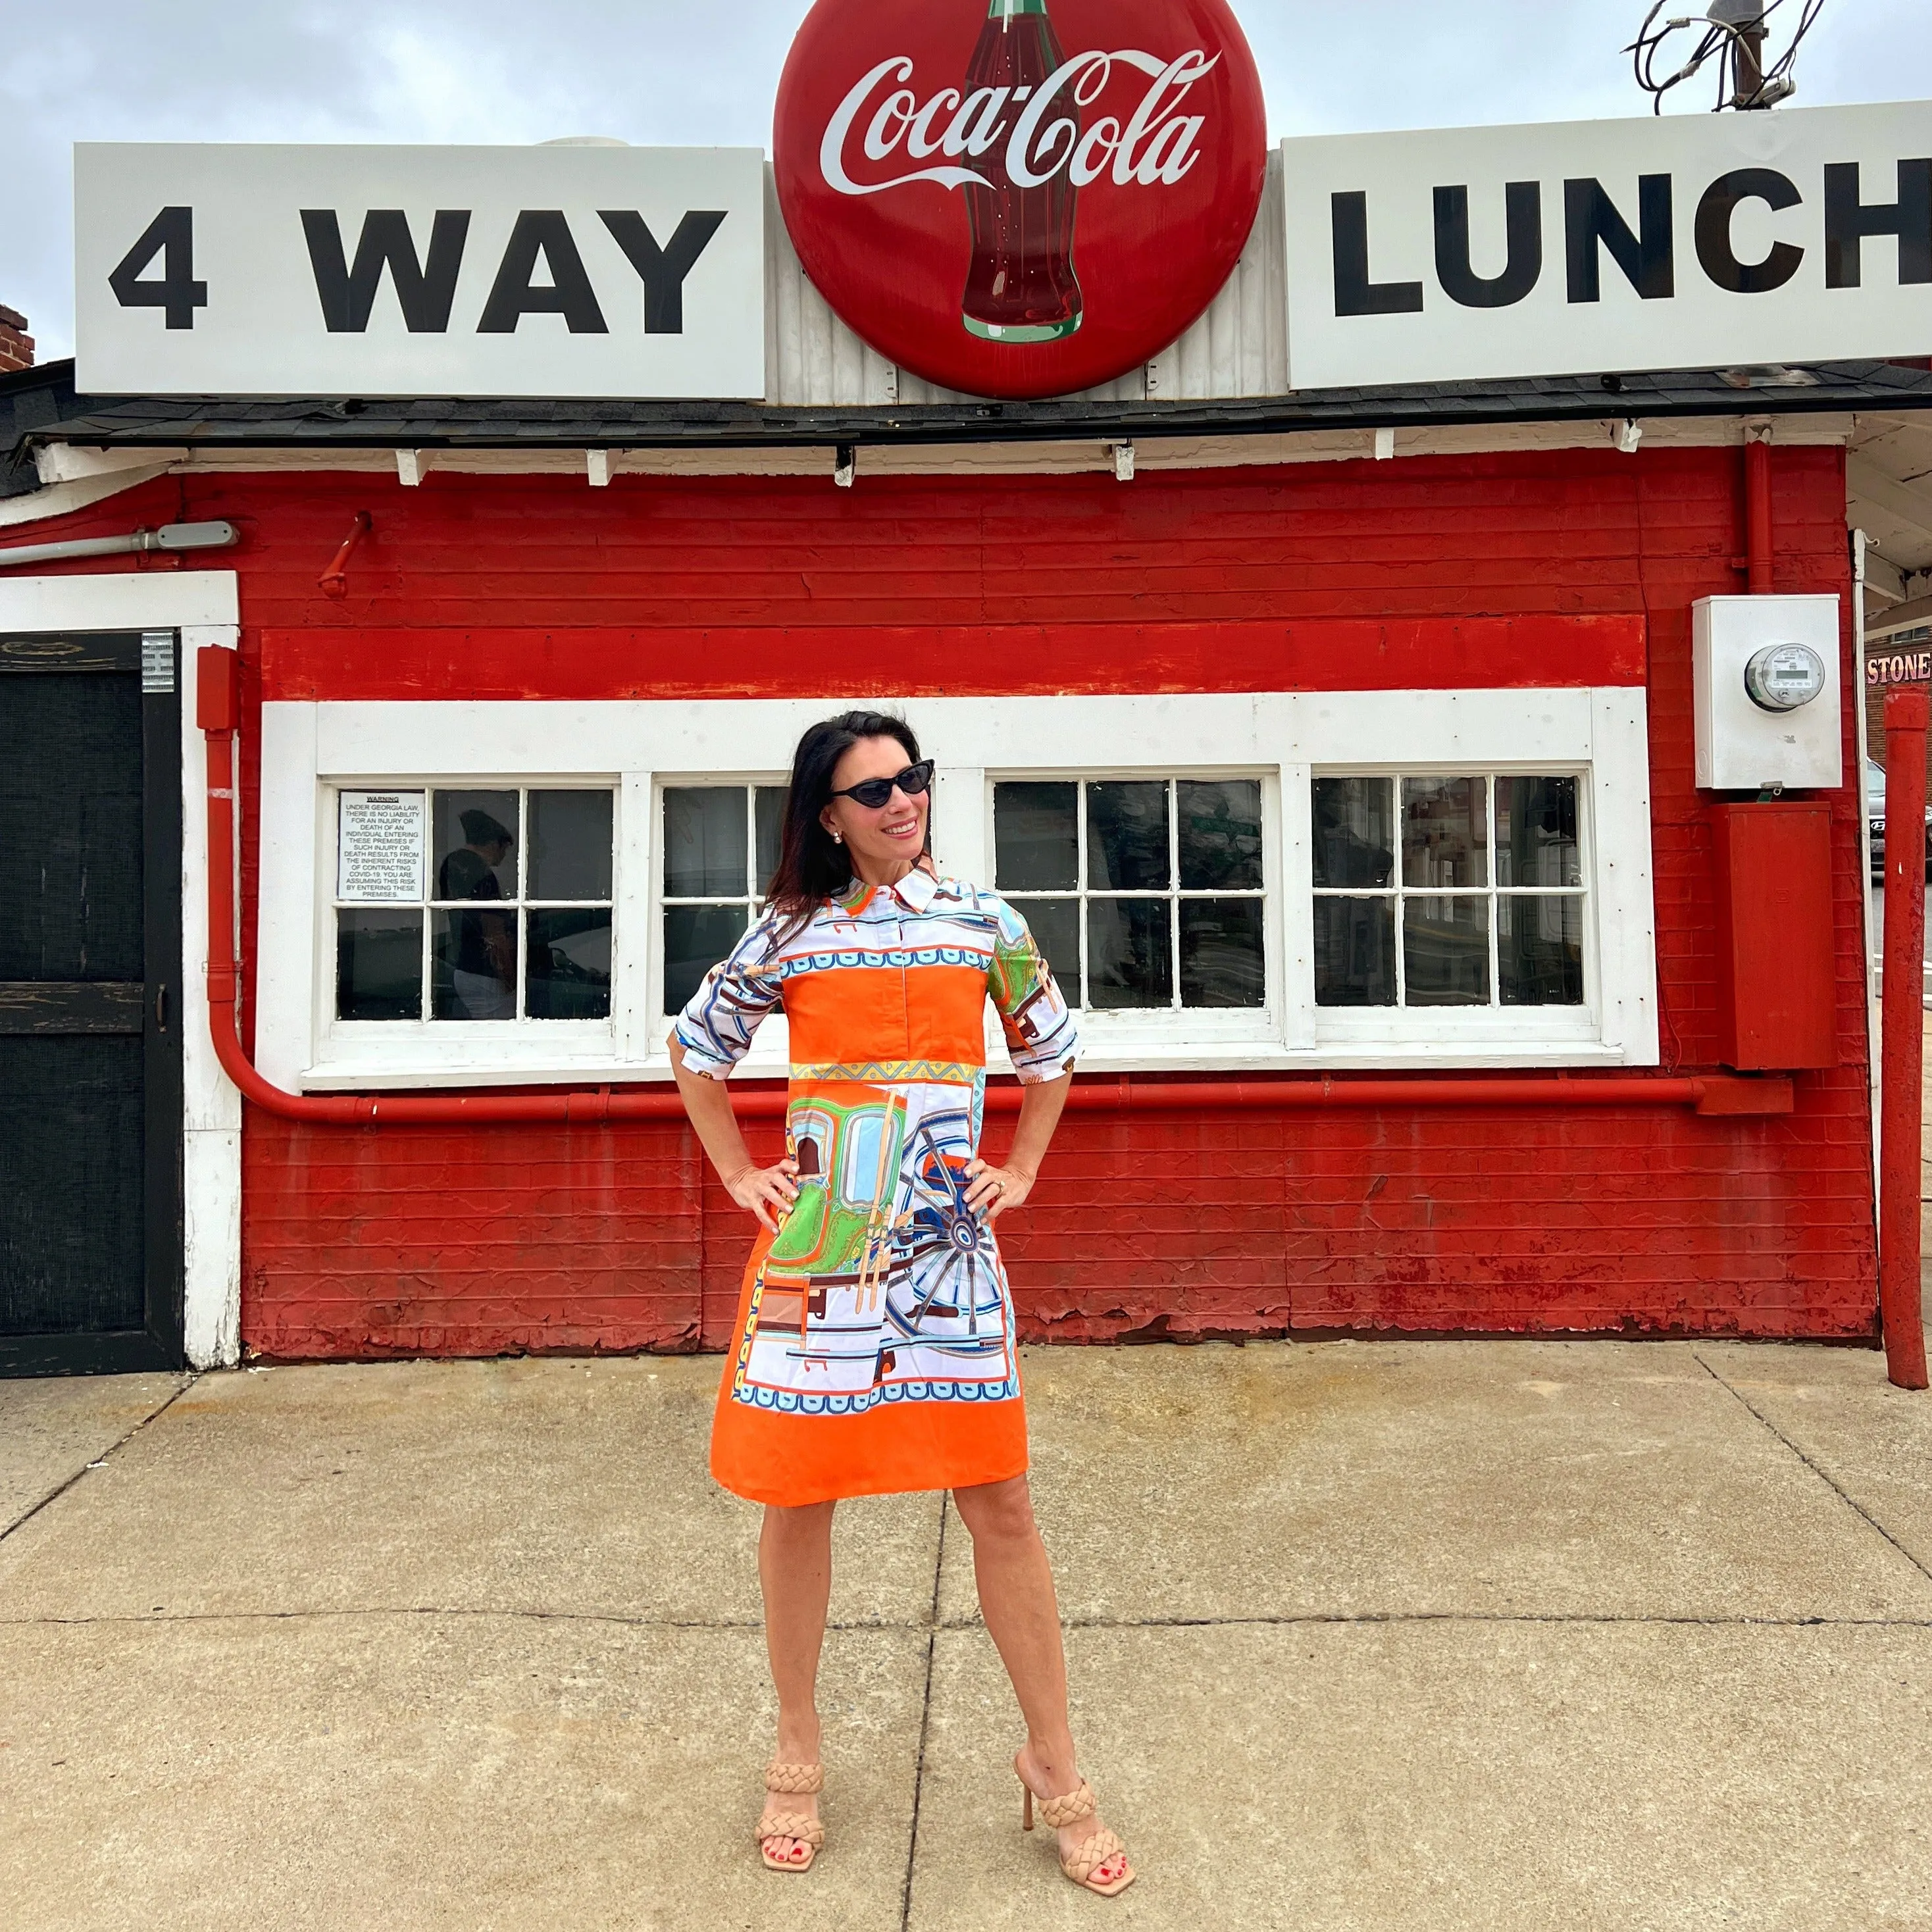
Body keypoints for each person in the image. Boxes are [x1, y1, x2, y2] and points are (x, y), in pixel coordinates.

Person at [671, 711, 1134, 1898]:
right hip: (819, 1253)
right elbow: (698, 1047)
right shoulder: (791, 931)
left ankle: (1055, 1758)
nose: (899, 802)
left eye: (911, 780)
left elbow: (1050, 1048)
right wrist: (738, 1174)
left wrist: (1019, 1169)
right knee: (797, 1492)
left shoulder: (984, 919)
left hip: (948, 1253)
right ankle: (797, 1741)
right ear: (826, 815)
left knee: (1005, 1503)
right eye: (871, 789)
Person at [437, 808, 515, 1019]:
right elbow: (494, 931)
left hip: (463, 969)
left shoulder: (451, 864)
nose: (504, 855)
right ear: (493, 844)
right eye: (504, 848)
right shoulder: (482, 872)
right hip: (486, 973)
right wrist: (511, 978)